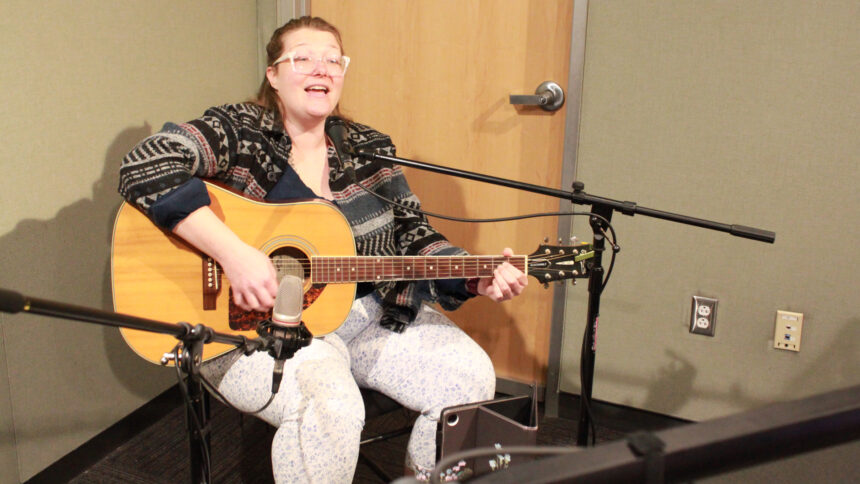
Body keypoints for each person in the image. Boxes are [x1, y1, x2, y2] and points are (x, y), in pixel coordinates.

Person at [118, 16, 527, 483]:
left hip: (367, 314)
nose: (322, 68)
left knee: (470, 378)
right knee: (331, 405)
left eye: (333, 59)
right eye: (304, 57)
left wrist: (471, 274)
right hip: (251, 328)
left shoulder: (369, 148)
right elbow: (145, 165)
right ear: (273, 74)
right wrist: (233, 253)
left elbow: (415, 237)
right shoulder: (239, 131)